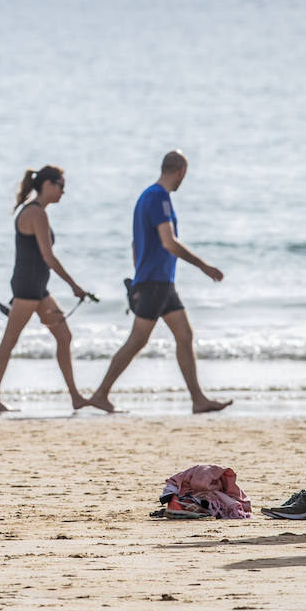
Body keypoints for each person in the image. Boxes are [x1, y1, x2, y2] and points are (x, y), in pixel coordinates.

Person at [86, 150, 231, 414]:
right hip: (155, 282)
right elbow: (168, 241)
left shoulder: (146, 196)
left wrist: (139, 273)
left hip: (160, 281)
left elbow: (135, 243)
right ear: (181, 172)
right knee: (137, 340)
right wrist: (204, 266)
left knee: (184, 335)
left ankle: (198, 399)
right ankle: (100, 394)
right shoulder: (159, 198)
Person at [0, 166, 91, 413]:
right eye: (61, 186)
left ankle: (76, 397)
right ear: (48, 185)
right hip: (27, 288)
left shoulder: (36, 212)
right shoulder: (36, 214)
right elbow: (48, 257)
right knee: (9, 342)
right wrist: (75, 286)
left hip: (37, 288)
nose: (63, 192)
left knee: (64, 337)